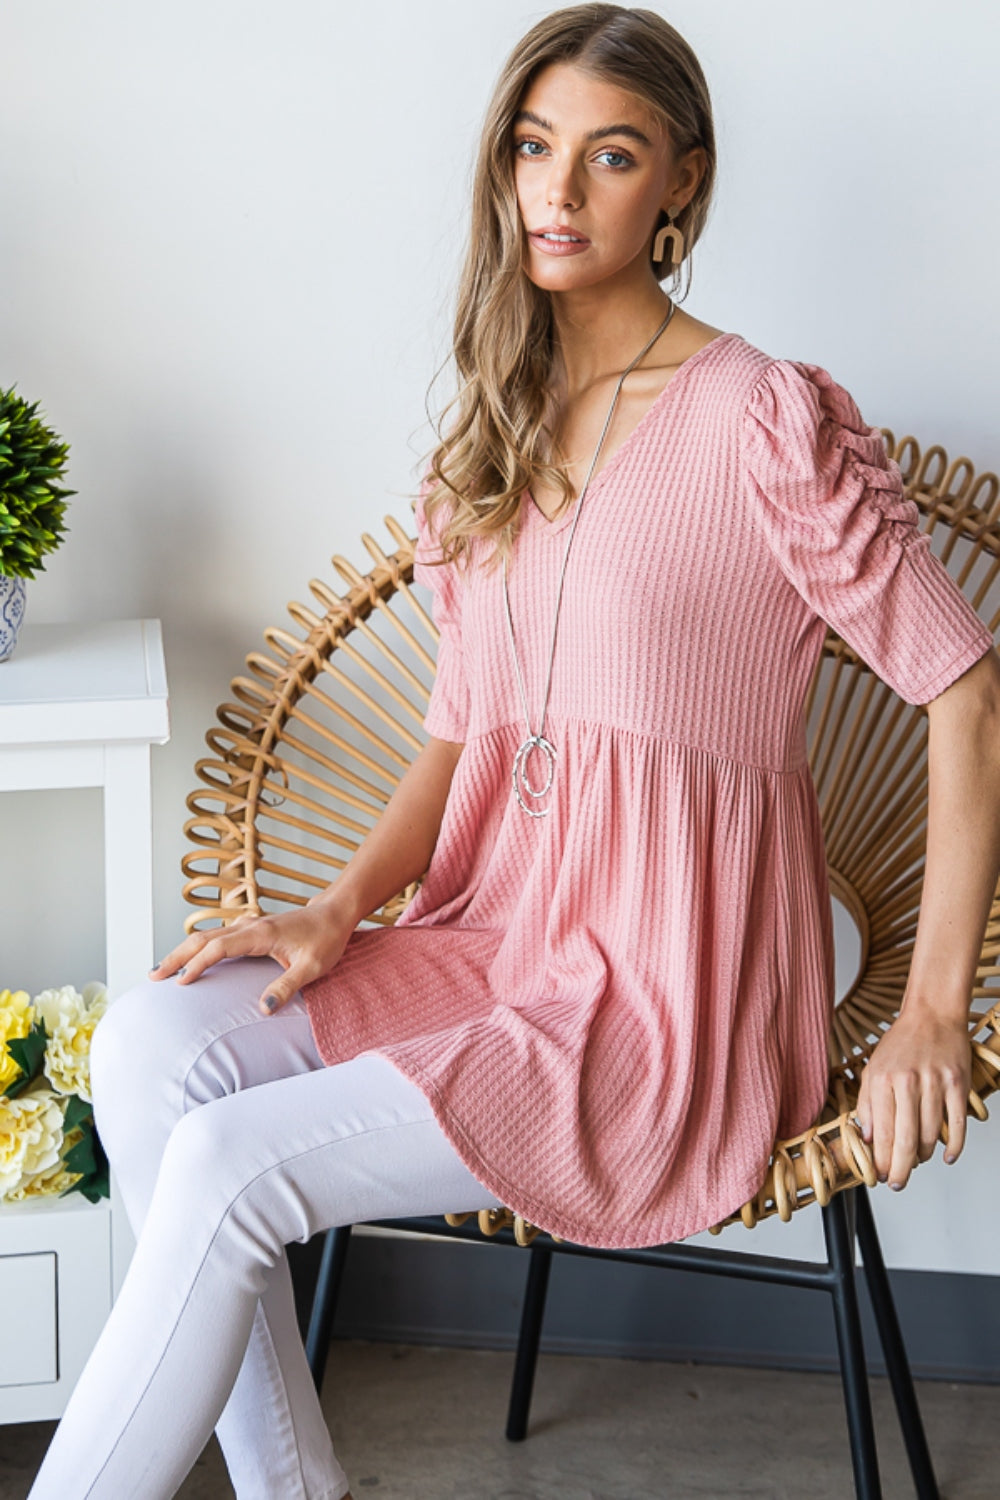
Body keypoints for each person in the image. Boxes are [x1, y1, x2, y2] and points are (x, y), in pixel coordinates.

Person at [28, 4, 1000, 1497]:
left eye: (609, 158)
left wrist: (933, 1008)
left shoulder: (760, 417)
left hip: (671, 994)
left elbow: (964, 679)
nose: (558, 191)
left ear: (680, 183)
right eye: (533, 148)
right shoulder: (491, 427)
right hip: (498, 932)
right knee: (149, 1050)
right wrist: (339, 909)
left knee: (229, 1173)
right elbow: (462, 729)